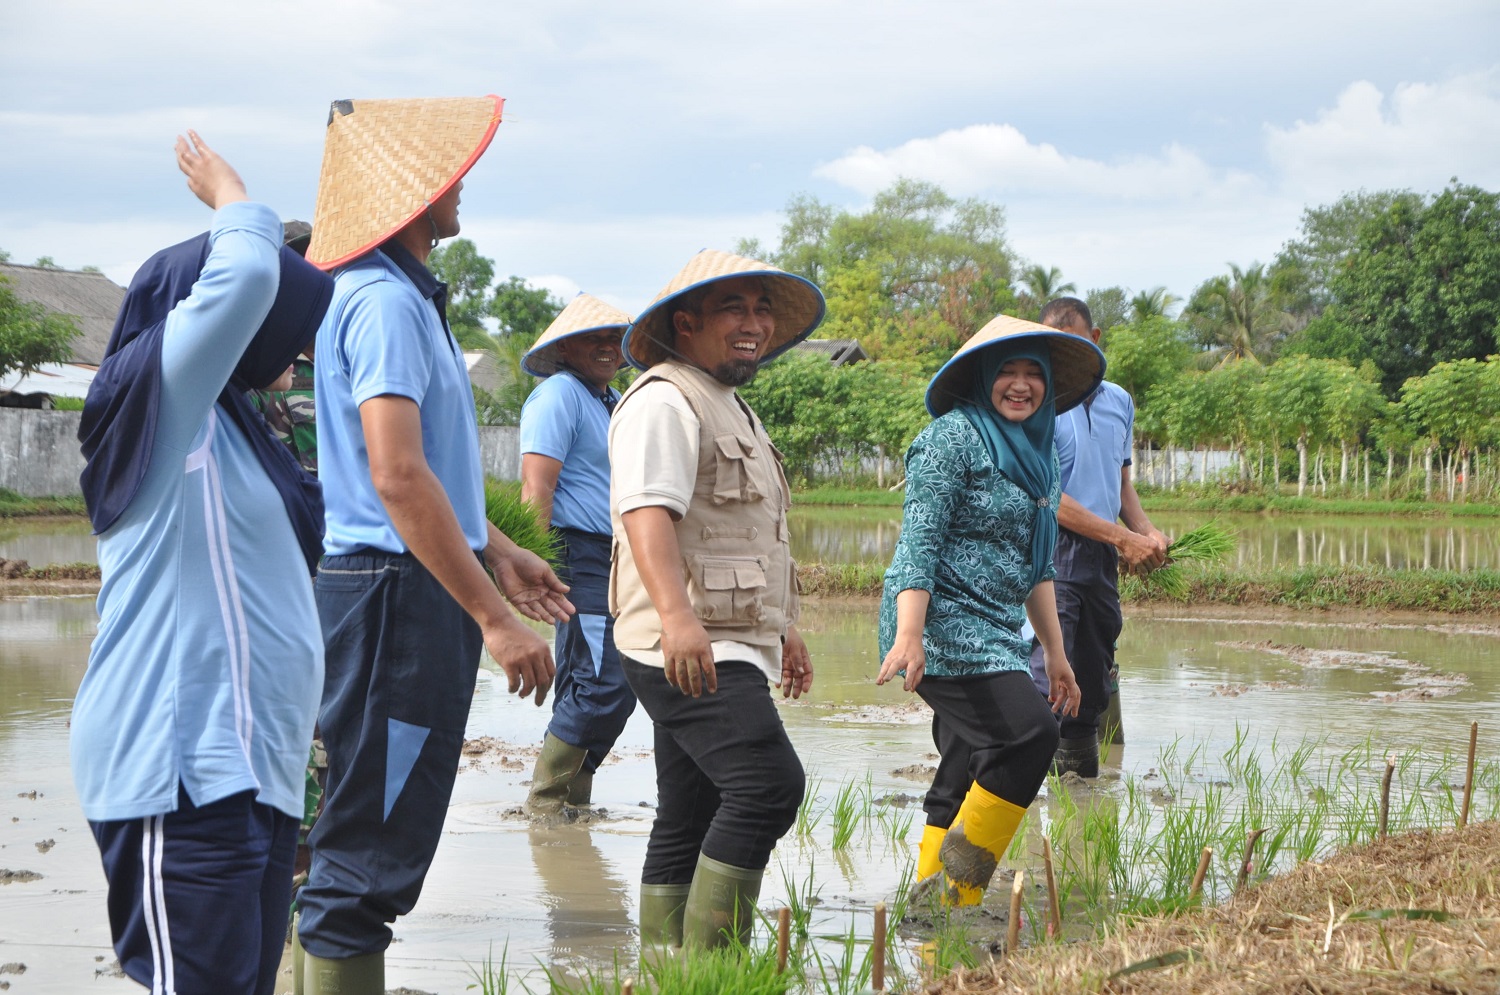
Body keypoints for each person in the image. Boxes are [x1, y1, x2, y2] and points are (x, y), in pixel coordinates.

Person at [294, 96, 573, 993]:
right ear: (412, 195)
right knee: (364, 853)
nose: (463, 188)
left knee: (369, 836)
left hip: (404, 586)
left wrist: (494, 545)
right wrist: (494, 618)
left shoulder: (402, 300)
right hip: (394, 597)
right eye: (449, 175)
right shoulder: (380, 304)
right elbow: (395, 478)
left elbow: (426, 473)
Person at [72, 132, 333, 995]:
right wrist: (231, 196)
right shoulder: (155, 405)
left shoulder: (239, 433)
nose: (286, 346)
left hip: (250, 777)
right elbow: (247, 279)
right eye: (271, 331)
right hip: (177, 775)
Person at [609, 250, 821, 950]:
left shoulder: (731, 404)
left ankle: (669, 965)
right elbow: (647, 514)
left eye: (762, 309)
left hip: (726, 636)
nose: (754, 323)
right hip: (686, 637)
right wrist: (676, 617)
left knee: (691, 805)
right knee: (768, 784)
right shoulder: (665, 399)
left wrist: (784, 626)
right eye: (735, 307)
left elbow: (748, 530)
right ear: (688, 322)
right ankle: (715, 967)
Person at [876, 314, 1104, 906]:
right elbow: (918, 545)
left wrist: (1056, 655)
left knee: (965, 759)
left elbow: (1038, 565)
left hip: (999, 626)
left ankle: (929, 910)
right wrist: (910, 635)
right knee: (1030, 736)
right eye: (1008, 372)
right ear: (982, 379)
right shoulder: (949, 440)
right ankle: (956, 895)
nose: (1021, 385)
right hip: (941, 622)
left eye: (1034, 374)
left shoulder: (1039, 456)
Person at [1027, 297, 1168, 776]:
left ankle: (1081, 803)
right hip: (1053, 552)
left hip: (1103, 555)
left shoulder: (1119, 401)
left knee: (1093, 670)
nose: (1063, 356)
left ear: (1095, 340)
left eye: (1074, 343)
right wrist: (1121, 538)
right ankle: (1021, 800)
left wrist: (1146, 532)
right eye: (1053, 346)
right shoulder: (1040, 405)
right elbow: (1050, 497)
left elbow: (1121, 483)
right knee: (1050, 669)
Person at [519, 294, 638, 816]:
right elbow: (536, 488)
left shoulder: (610, 400)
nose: (609, 348)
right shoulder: (559, 396)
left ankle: (572, 798)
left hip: (617, 557)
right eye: (596, 338)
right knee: (602, 682)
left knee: (617, 680)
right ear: (565, 347)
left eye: (615, 339)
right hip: (575, 553)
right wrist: (532, 566)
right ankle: (547, 803)